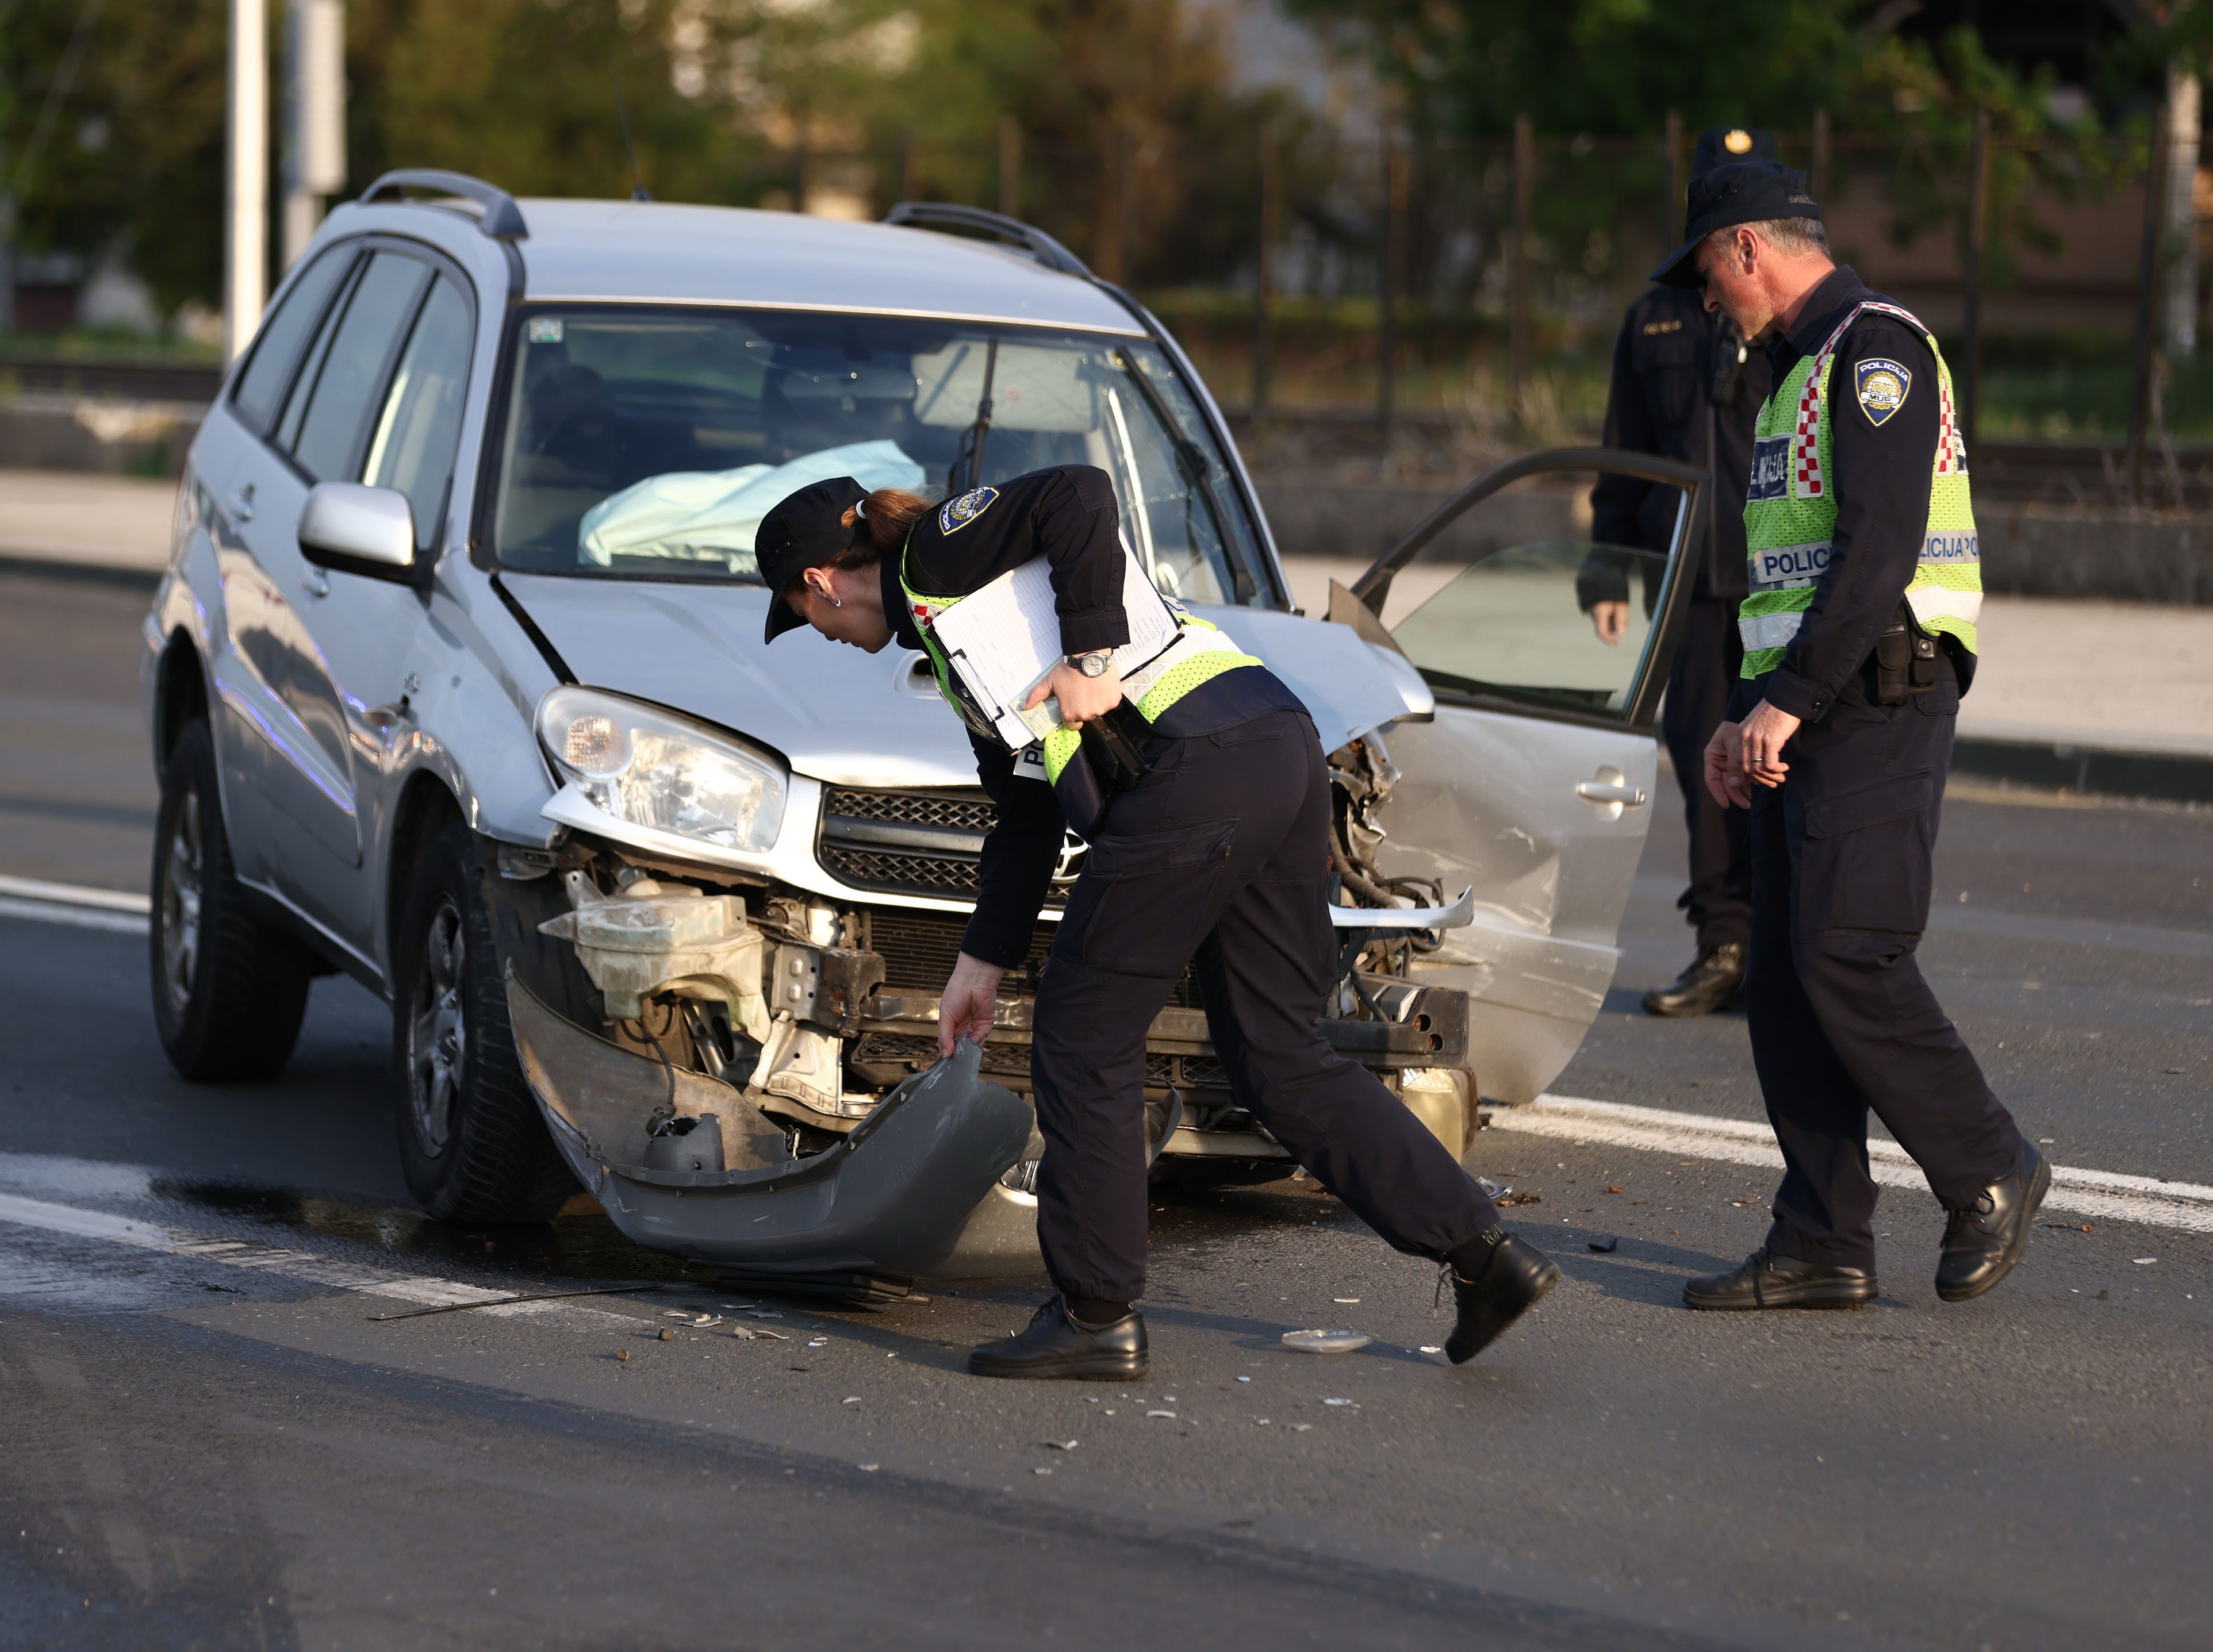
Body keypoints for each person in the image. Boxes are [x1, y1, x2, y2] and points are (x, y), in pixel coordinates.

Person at [754, 466, 1560, 1376]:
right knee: (1277, 1053)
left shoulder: (939, 550)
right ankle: (1483, 1254)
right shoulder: (952, 636)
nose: (824, 637)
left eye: (805, 616)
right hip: (1271, 747)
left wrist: (1093, 658)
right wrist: (980, 960)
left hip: (1198, 770)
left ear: (820, 580)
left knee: (1083, 1032)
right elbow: (1023, 812)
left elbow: (1081, 494)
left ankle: (1094, 1313)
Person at [1646, 162, 2049, 1312]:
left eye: (1709, 279)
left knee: (1848, 953)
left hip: (1879, 698)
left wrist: (1792, 695)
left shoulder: (1875, 352)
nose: (1708, 305)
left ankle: (1989, 1167)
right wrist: (1746, 710)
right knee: (1782, 978)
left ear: (1745, 251)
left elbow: (1878, 550)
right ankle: (1822, 1236)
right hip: (1813, 707)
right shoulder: (1790, 377)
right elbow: (1795, 574)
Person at [1585, 126, 1777, 1017]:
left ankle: (1786, 949)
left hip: (1777, 582)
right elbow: (1625, 454)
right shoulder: (1657, 315)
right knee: (1710, 776)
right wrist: (1607, 574)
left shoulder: (1792, 318)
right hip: (1686, 585)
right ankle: (1725, 945)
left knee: (1783, 769)